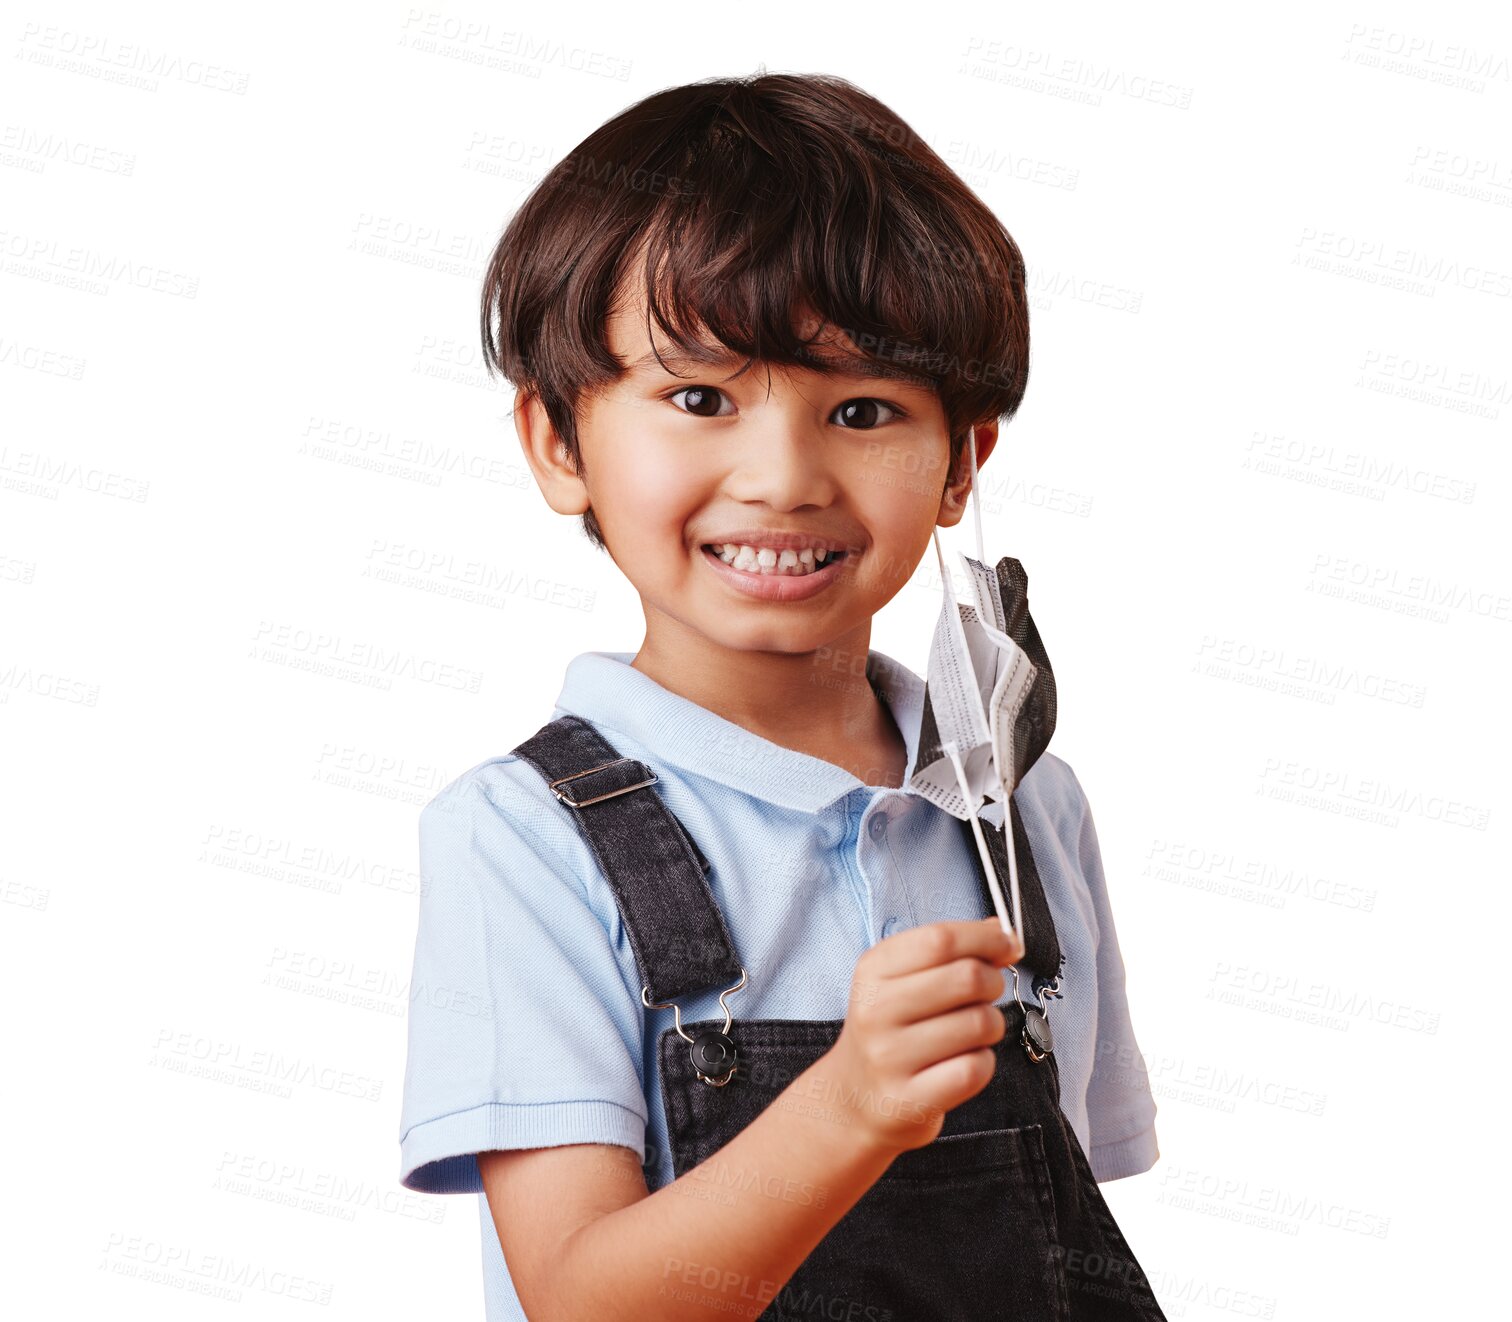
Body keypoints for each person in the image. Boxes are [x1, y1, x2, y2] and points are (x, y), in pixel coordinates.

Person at [398, 72, 1164, 1321]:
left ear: (965, 459)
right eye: (700, 398)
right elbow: (586, 1302)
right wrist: (851, 1103)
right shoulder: (523, 838)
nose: (785, 475)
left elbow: (1064, 1226)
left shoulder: (1026, 810)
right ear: (555, 442)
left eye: (862, 409)